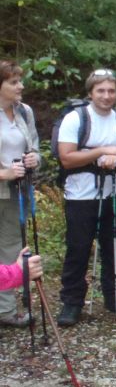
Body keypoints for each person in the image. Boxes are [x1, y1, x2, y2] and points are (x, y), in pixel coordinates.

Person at [56, 69, 116, 327]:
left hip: (115, 191)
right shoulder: (75, 118)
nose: (106, 96)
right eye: (101, 91)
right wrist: (102, 151)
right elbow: (67, 158)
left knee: (114, 246)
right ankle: (72, 302)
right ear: (90, 92)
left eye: (111, 91)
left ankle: (114, 297)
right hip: (80, 195)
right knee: (78, 248)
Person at [0, 61, 41, 327]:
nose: (21, 86)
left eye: (20, 81)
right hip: (5, 181)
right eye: (14, 82)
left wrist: (34, 160)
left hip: (16, 192)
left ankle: (5, 311)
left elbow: (35, 148)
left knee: (10, 247)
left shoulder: (24, 112)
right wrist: (3, 173)